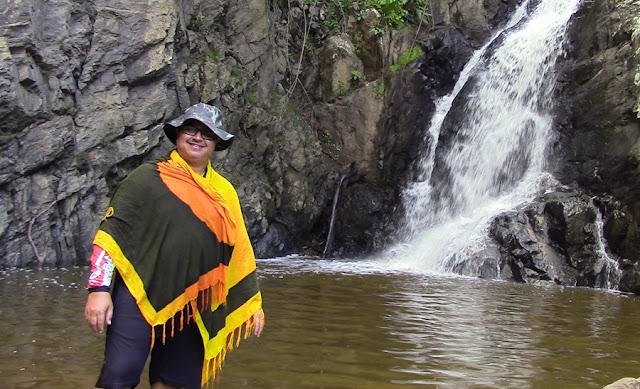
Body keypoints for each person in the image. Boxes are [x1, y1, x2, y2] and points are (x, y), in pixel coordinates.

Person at [84, 103, 265, 389]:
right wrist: (99, 291)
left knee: (175, 382)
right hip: (138, 291)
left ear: (216, 143)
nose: (197, 137)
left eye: (207, 133)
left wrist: (250, 301)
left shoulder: (224, 191)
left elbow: (238, 249)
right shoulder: (146, 179)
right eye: (191, 129)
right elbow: (111, 235)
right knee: (119, 375)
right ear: (178, 135)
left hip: (195, 300)